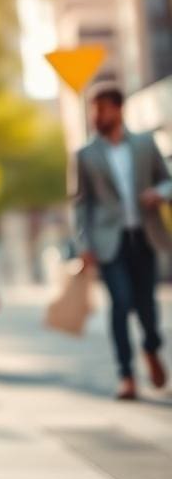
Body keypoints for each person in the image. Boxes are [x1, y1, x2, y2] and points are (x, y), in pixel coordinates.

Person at [72, 84, 172, 400]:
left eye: (101, 108)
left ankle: (151, 349)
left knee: (146, 306)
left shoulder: (144, 145)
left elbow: (167, 178)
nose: (95, 115)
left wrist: (160, 194)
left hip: (144, 236)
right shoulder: (85, 155)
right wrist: (83, 246)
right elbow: (81, 203)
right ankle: (126, 375)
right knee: (120, 302)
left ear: (118, 109)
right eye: (93, 109)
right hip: (107, 242)